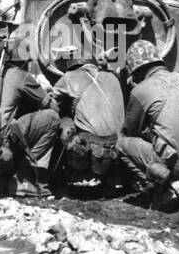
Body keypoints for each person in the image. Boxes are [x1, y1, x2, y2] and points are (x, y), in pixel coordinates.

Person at [115, 40, 179, 209]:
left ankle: (160, 189)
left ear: (137, 70)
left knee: (121, 143)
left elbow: (131, 131)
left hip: (176, 164)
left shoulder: (141, 90)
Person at [50, 43, 125, 194]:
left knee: (57, 121)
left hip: (92, 146)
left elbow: (50, 103)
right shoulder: (111, 76)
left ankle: (58, 179)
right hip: (120, 144)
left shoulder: (68, 78)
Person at [0, 31, 60, 198]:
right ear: (23, 61)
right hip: (0, 147)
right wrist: (48, 94)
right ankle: (25, 178)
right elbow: (54, 108)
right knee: (52, 118)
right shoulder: (21, 75)